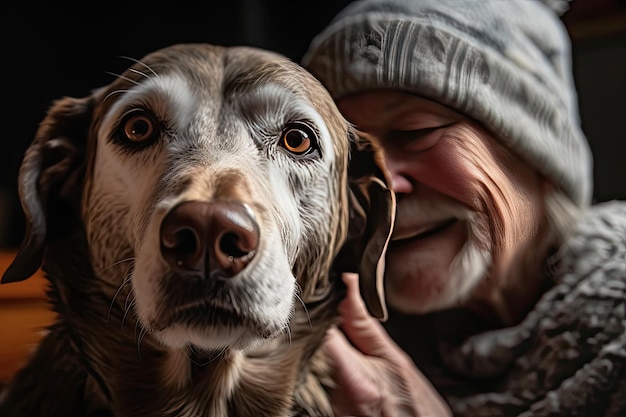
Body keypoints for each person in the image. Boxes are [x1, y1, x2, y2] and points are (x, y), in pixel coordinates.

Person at [302, 0, 626, 416]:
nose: (372, 189)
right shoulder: (345, 343)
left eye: (414, 133)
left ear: (532, 147)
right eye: (347, 157)